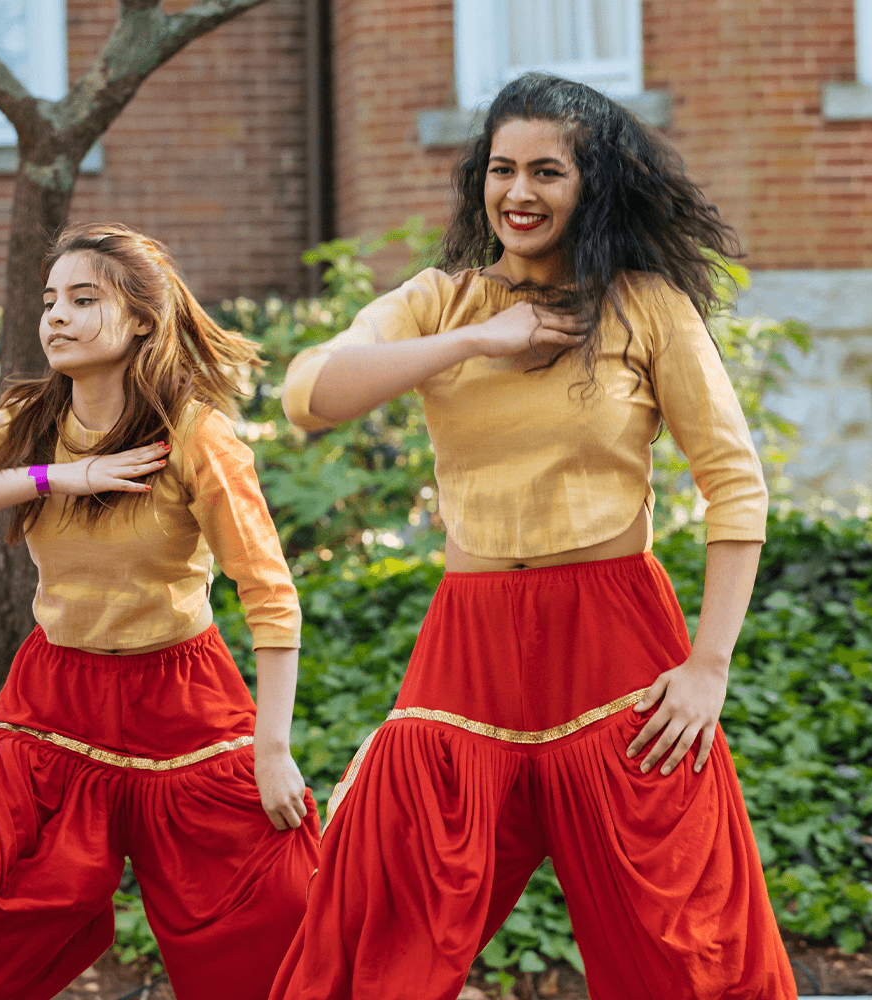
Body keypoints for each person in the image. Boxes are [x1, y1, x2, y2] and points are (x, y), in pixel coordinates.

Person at [269, 73, 794, 1000]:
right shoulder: (442, 302)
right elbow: (308, 394)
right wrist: (479, 339)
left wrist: (709, 666)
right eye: (502, 169)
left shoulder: (646, 307)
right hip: (469, 648)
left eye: (548, 171)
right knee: (386, 912)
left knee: (683, 937)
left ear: (592, 184)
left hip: (614, 643)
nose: (520, 192)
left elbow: (735, 488)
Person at [0, 223, 318, 1000]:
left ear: (140, 318)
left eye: (83, 298)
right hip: (53, 705)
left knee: (281, 908)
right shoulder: (26, 426)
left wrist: (272, 751)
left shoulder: (197, 436)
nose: (56, 317)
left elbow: (269, 594)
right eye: (49, 300)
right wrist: (54, 478)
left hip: (183, 703)